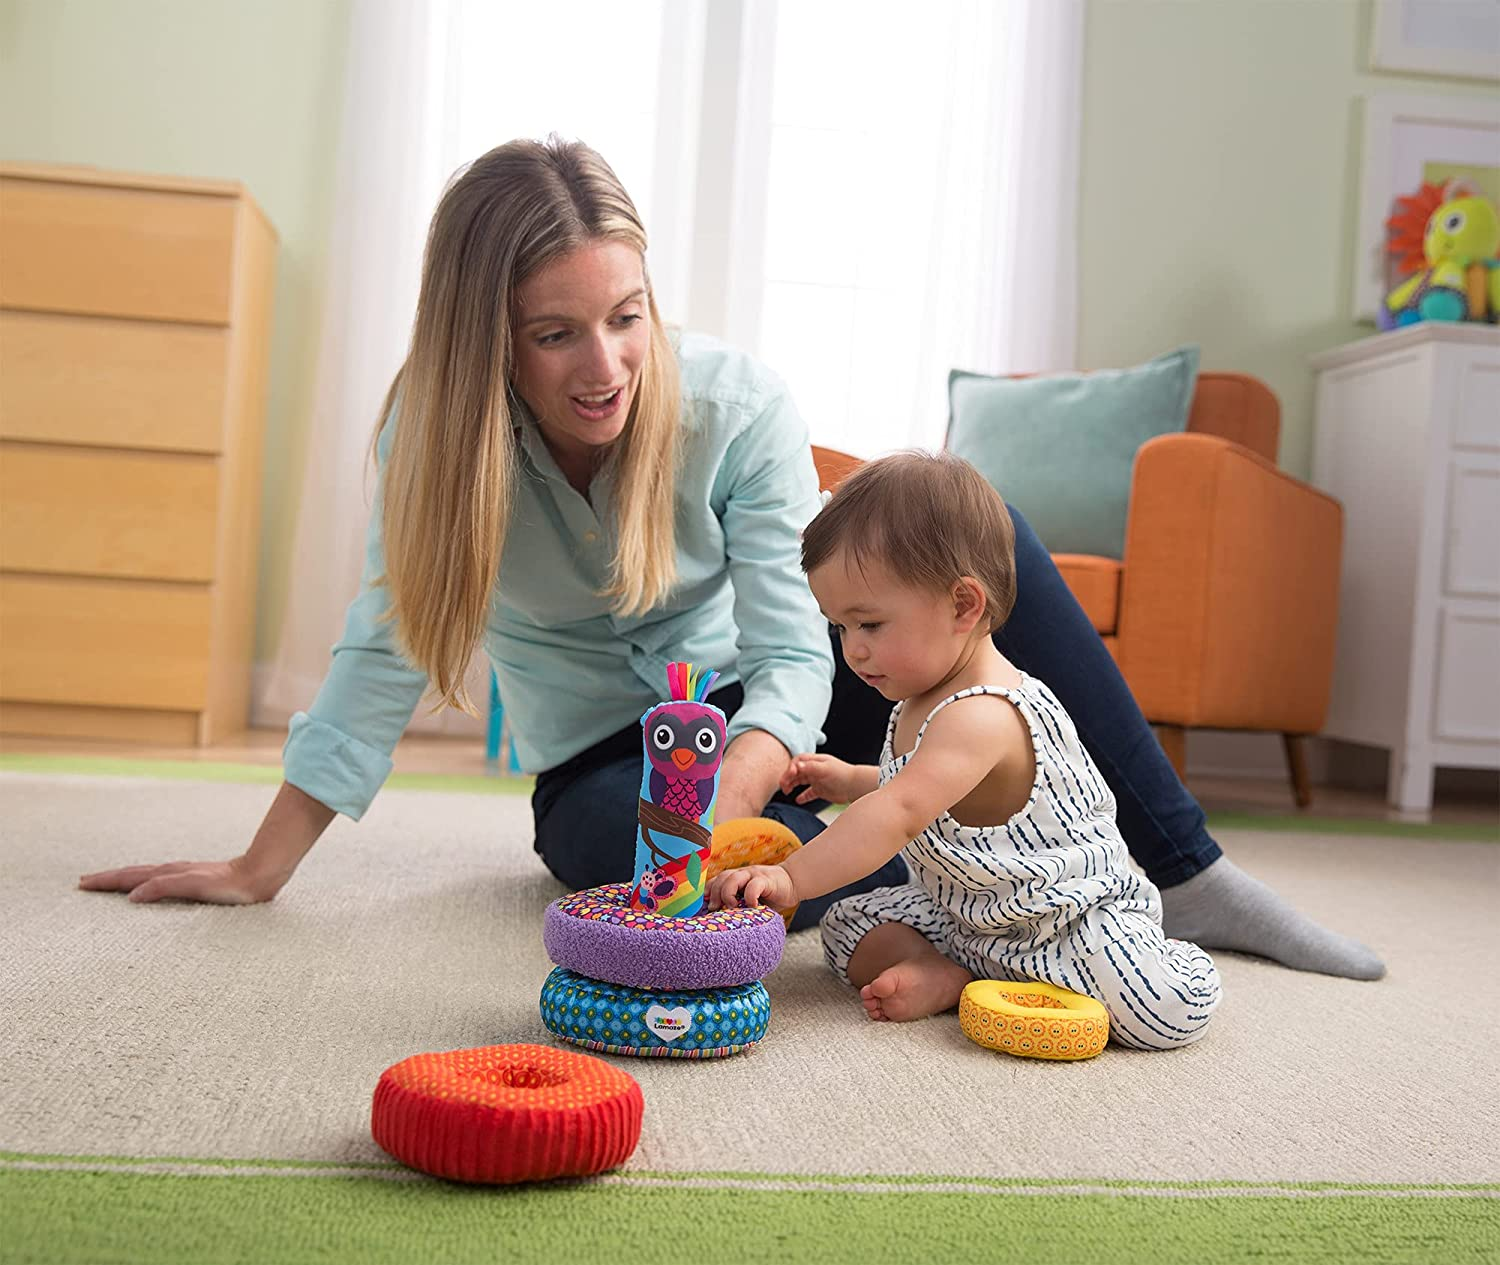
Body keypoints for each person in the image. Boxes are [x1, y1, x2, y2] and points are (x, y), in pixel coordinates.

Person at [78, 136, 1383, 983]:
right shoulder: (430, 436)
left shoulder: (735, 404)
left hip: (795, 703)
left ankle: (1186, 875)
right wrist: (262, 864)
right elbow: (381, 646)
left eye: (627, 319)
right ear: (490, 339)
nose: (605, 370)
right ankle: (993, 895)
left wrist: (752, 770)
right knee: (638, 859)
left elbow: (782, 643)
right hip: (612, 756)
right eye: (554, 335)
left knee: (977, 533)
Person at [707, 452, 1223, 1045]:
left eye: (869, 625)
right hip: (965, 916)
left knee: (1159, 1010)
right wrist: (851, 779)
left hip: (1065, 923)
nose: (852, 651)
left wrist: (792, 879)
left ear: (962, 605)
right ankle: (955, 974)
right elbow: (929, 794)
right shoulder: (919, 695)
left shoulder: (984, 713)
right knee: (850, 929)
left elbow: (901, 811)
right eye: (839, 628)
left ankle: (1160, 957)